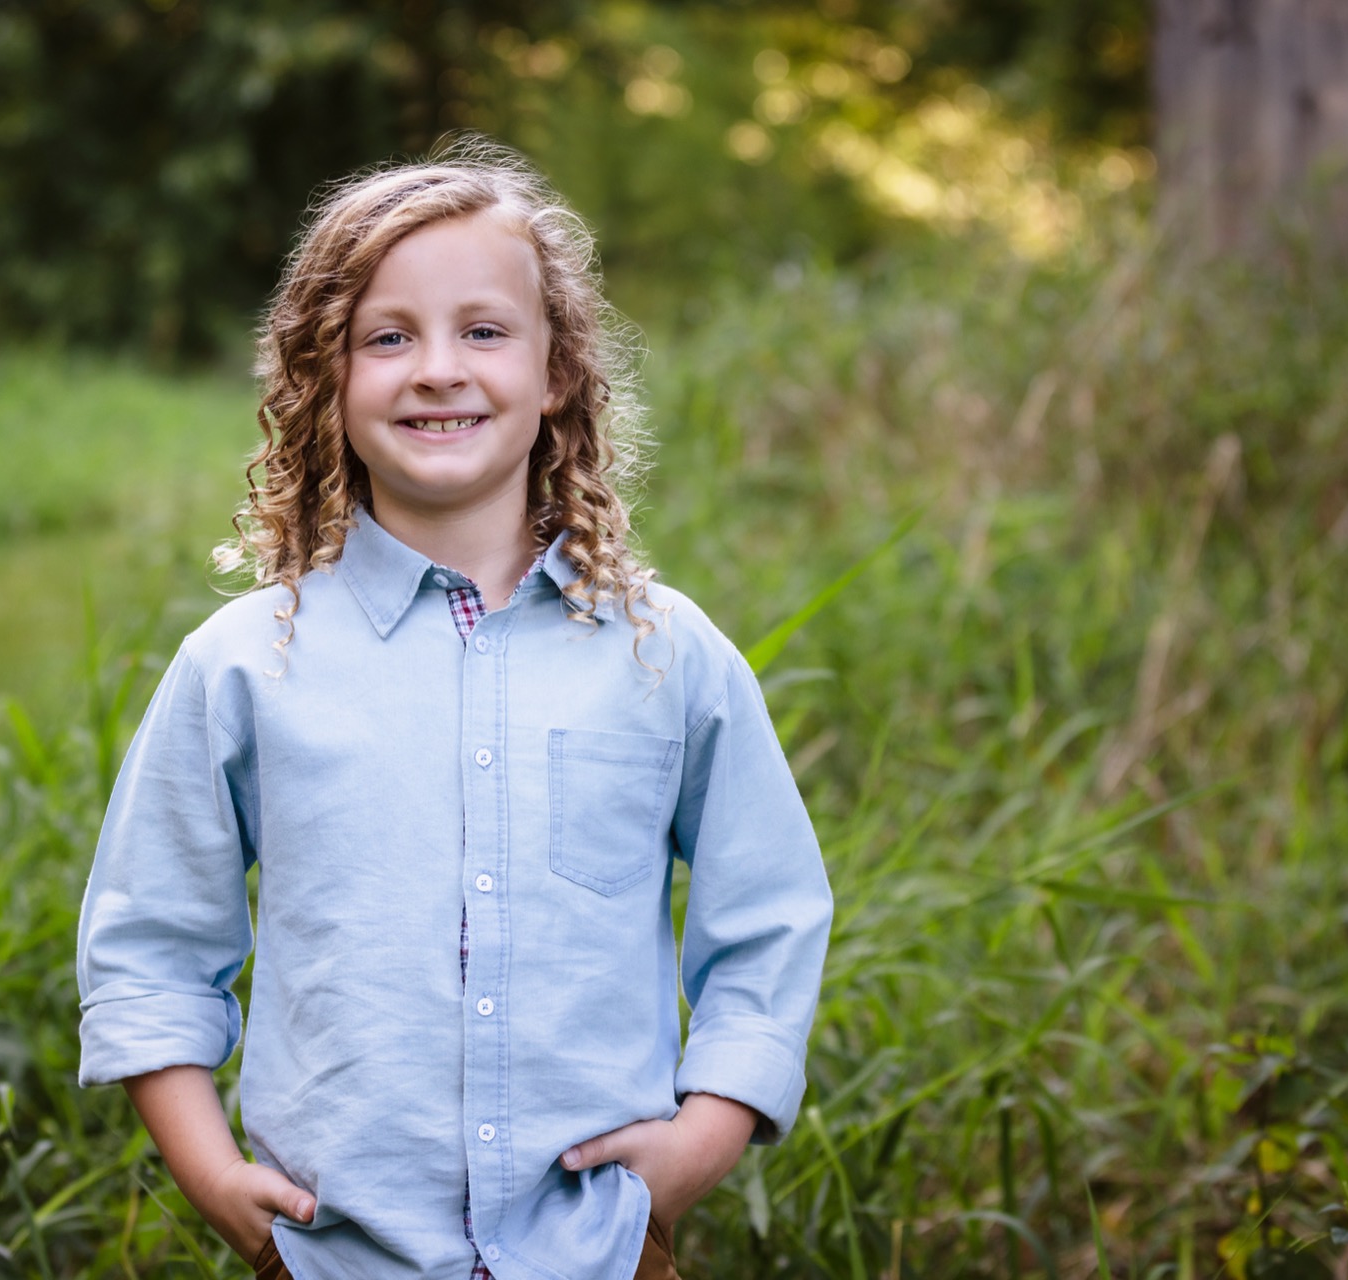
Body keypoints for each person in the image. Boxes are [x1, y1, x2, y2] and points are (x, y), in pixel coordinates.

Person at [76, 137, 833, 1280]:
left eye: (484, 330)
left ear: (557, 370)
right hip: (335, 1254)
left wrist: (699, 1144)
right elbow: (149, 944)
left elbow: (768, 911)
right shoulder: (245, 663)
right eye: (388, 336)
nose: (438, 368)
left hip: (602, 1246)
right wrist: (216, 1180)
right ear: (324, 379)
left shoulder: (664, 652)